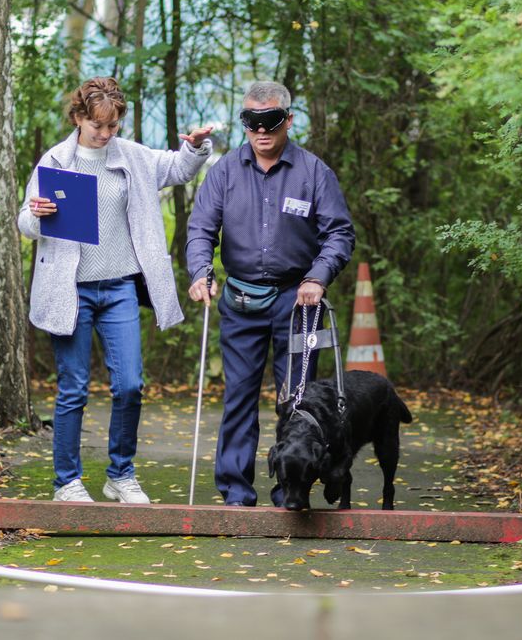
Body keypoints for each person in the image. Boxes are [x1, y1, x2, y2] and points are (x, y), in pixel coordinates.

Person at [18, 77, 213, 503]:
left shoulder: (133, 156)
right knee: (73, 387)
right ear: (79, 118)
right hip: (72, 290)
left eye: (113, 127)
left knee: (130, 385)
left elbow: (179, 169)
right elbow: (26, 224)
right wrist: (36, 213)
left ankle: (120, 474)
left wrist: (196, 147)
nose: (106, 135)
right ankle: (67, 482)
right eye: (98, 127)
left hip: (120, 286)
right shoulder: (55, 161)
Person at [185, 80, 355, 507]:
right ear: (243, 123)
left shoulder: (314, 172)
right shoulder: (224, 171)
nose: (261, 131)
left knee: (296, 400)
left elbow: (339, 233)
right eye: (251, 122)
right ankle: (236, 493)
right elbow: (201, 228)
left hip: (298, 302)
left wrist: (318, 277)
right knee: (239, 395)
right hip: (241, 301)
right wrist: (200, 272)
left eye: (271, 121)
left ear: (288, 120)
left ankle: (290, 491)